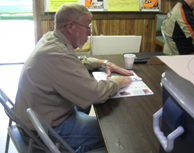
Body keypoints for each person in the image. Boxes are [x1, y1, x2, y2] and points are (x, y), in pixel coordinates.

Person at [14, 3, 133, 153]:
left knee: (89, 109)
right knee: (113, 130)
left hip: (38, 117)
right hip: (46, 129)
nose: (90, 32)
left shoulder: (51, 38)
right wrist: (117, 83)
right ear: (71, 27)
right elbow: (94, 94)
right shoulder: (59, 54)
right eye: (88, 26)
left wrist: (103, 63)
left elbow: (74, 61)